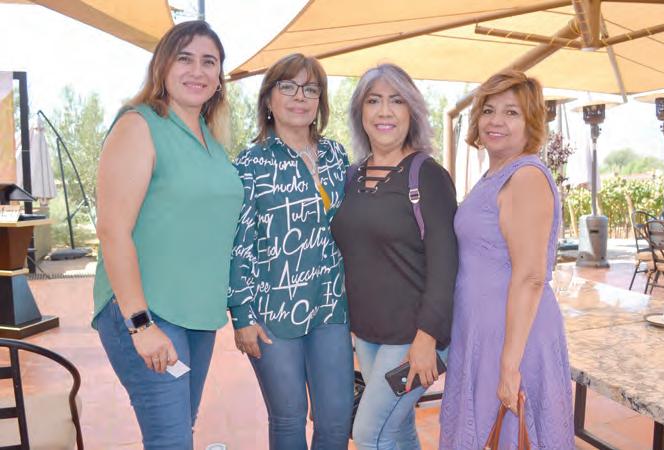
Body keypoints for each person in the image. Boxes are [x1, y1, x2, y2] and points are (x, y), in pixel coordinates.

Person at [93, 21, 243, 449]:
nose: (197, 71)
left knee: (179, 433)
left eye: (209, 62)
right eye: (185, 59)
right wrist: (140, 324)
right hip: (147, 312)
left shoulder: (211, 141)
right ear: (162, 67)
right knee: (170, 441)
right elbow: (112, 230)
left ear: (219, 77)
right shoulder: (139, 125)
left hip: (197, 316)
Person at [439, 69, 574, 449]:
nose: (496, 121)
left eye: (511, 112)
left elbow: (531, 276)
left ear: (531, 122)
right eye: (488, 110)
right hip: (484, 334)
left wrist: (509, 365)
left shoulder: (526, 176)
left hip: (513, 339)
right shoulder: (495, 174)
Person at [228, 53, 353, 450]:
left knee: (336, 420)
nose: (300, 97)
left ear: (320, 101)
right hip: (271, 313)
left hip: (331, 306)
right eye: (288, 86)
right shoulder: (250, 164)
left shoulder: (337, 156)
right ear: (268, 99)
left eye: (310, 89)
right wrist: (241, 315)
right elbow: (239, 244)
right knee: (288, 420)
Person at [331, 63, 458, 450]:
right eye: (374, 101)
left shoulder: (428, 176)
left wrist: (426, 339)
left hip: (414, 337)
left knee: (370, 434)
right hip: (369, 335)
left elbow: (445, 265)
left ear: (412, 112)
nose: (384, 111)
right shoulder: (352, 176)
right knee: (398, 429)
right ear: (360, 112)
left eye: (396, 101)